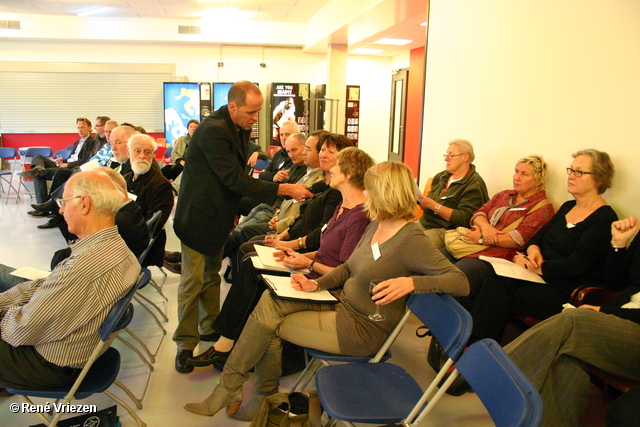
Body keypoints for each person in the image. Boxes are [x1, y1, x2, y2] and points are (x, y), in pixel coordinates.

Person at [182, 161, 469, 420]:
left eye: (369, 190)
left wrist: (412, 283)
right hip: (342, 305)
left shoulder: (412, 238)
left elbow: (460, 281)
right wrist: (314, 284)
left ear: (385, 193)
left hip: (360, 329)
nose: (364, 195)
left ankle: (245, 393)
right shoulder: (377, 224)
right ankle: (243, 391)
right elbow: (348, 268)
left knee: (270, 323)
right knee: (271, 300)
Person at [187, 147, 376, 387]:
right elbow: (327, 249)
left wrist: (307, 262)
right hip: (311, 271)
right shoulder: (343, 208)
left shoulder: (358, 216)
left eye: (337, 164)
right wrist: (296, 253)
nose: (331, 168)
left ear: (349, 174)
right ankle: (228, 341)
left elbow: (345, 271)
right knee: (251, 264)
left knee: (253, 271)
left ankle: (227, 344)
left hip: (324, 285)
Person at [172, 81, 312, 374]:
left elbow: (236, 171)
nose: (255, 118)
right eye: (251, 112)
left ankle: (208, 326)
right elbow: (234, 179)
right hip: (197, 217)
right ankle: (185, 343)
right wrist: (284, 189)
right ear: (233, 106)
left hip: (218, 215)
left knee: (210, 276)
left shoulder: (237, 125)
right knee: (192, 282)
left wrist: (234, 210)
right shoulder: (212, 131)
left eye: (258, 112)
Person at [0, 170, 140, 393]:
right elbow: (46, 286)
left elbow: (19, 331)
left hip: (51, 365)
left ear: (84, 204)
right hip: (79, 350)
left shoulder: (82, 269)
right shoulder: (118, 249)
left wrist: (5, 311)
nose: (61, 209)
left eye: (64, 202)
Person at [468, 149, 618, 343]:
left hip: (563, 289)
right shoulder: (568, 207)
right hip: (534, 275)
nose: (571, 176)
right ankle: (472, 343)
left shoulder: (603, 218)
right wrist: (533, 252)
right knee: (487, 277)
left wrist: (536, 266)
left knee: (495, 290)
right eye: (571, 170)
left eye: (579, 172)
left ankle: (476, 348)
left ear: (598, 179)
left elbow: (577, 264)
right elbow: (536, 239)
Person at [504, 216, 640, 427]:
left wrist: (603, 310)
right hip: (617, 318)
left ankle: (491, 374)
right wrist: (619, 244)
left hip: (633, 328)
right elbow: (616, 283)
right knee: (566, 360)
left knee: (575, 319)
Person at [442, 155, 555, 304]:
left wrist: (482, 238)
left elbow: (518, 239)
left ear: (539, 181)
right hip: (473, 246)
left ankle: (456, 324)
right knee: (437, 261)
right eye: (516, 171)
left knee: (458, 276)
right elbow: (478, 214)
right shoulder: (504, 194)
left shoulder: (542, 208)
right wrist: (486, 228)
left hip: (498, 257)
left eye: (524, 174)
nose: (517, 177)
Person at [416, 138, 489, 248]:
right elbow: (429, 202)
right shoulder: (441, 176)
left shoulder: (474, 184)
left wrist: (434, 206)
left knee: (414, 245)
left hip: (447, 230)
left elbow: (465, 218)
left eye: (451, 155)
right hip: (426, 222)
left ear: (465, 157)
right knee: (397, 234)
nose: (446, 159)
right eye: (446, 155)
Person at [123, 134, 174, 268]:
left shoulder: (160, 185)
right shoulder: (125, 179)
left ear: (152, 155)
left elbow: (151, 228)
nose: (142, 156)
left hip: (142, 245)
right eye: (137, 151)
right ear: (129, 153)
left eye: (147, 152)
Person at [24, 118, 100, 204]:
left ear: (89, 128)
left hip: (72, 168)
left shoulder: (92, 142)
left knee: (38, 174)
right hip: (66, 164)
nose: (80, 130)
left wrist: (67, 165)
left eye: (82, 127)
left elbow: (84, 161)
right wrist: (62, 161)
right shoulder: (77, 142)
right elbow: (71, 157)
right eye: (78, 128)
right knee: (38, 157)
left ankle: (42, 204)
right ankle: (39, 168)